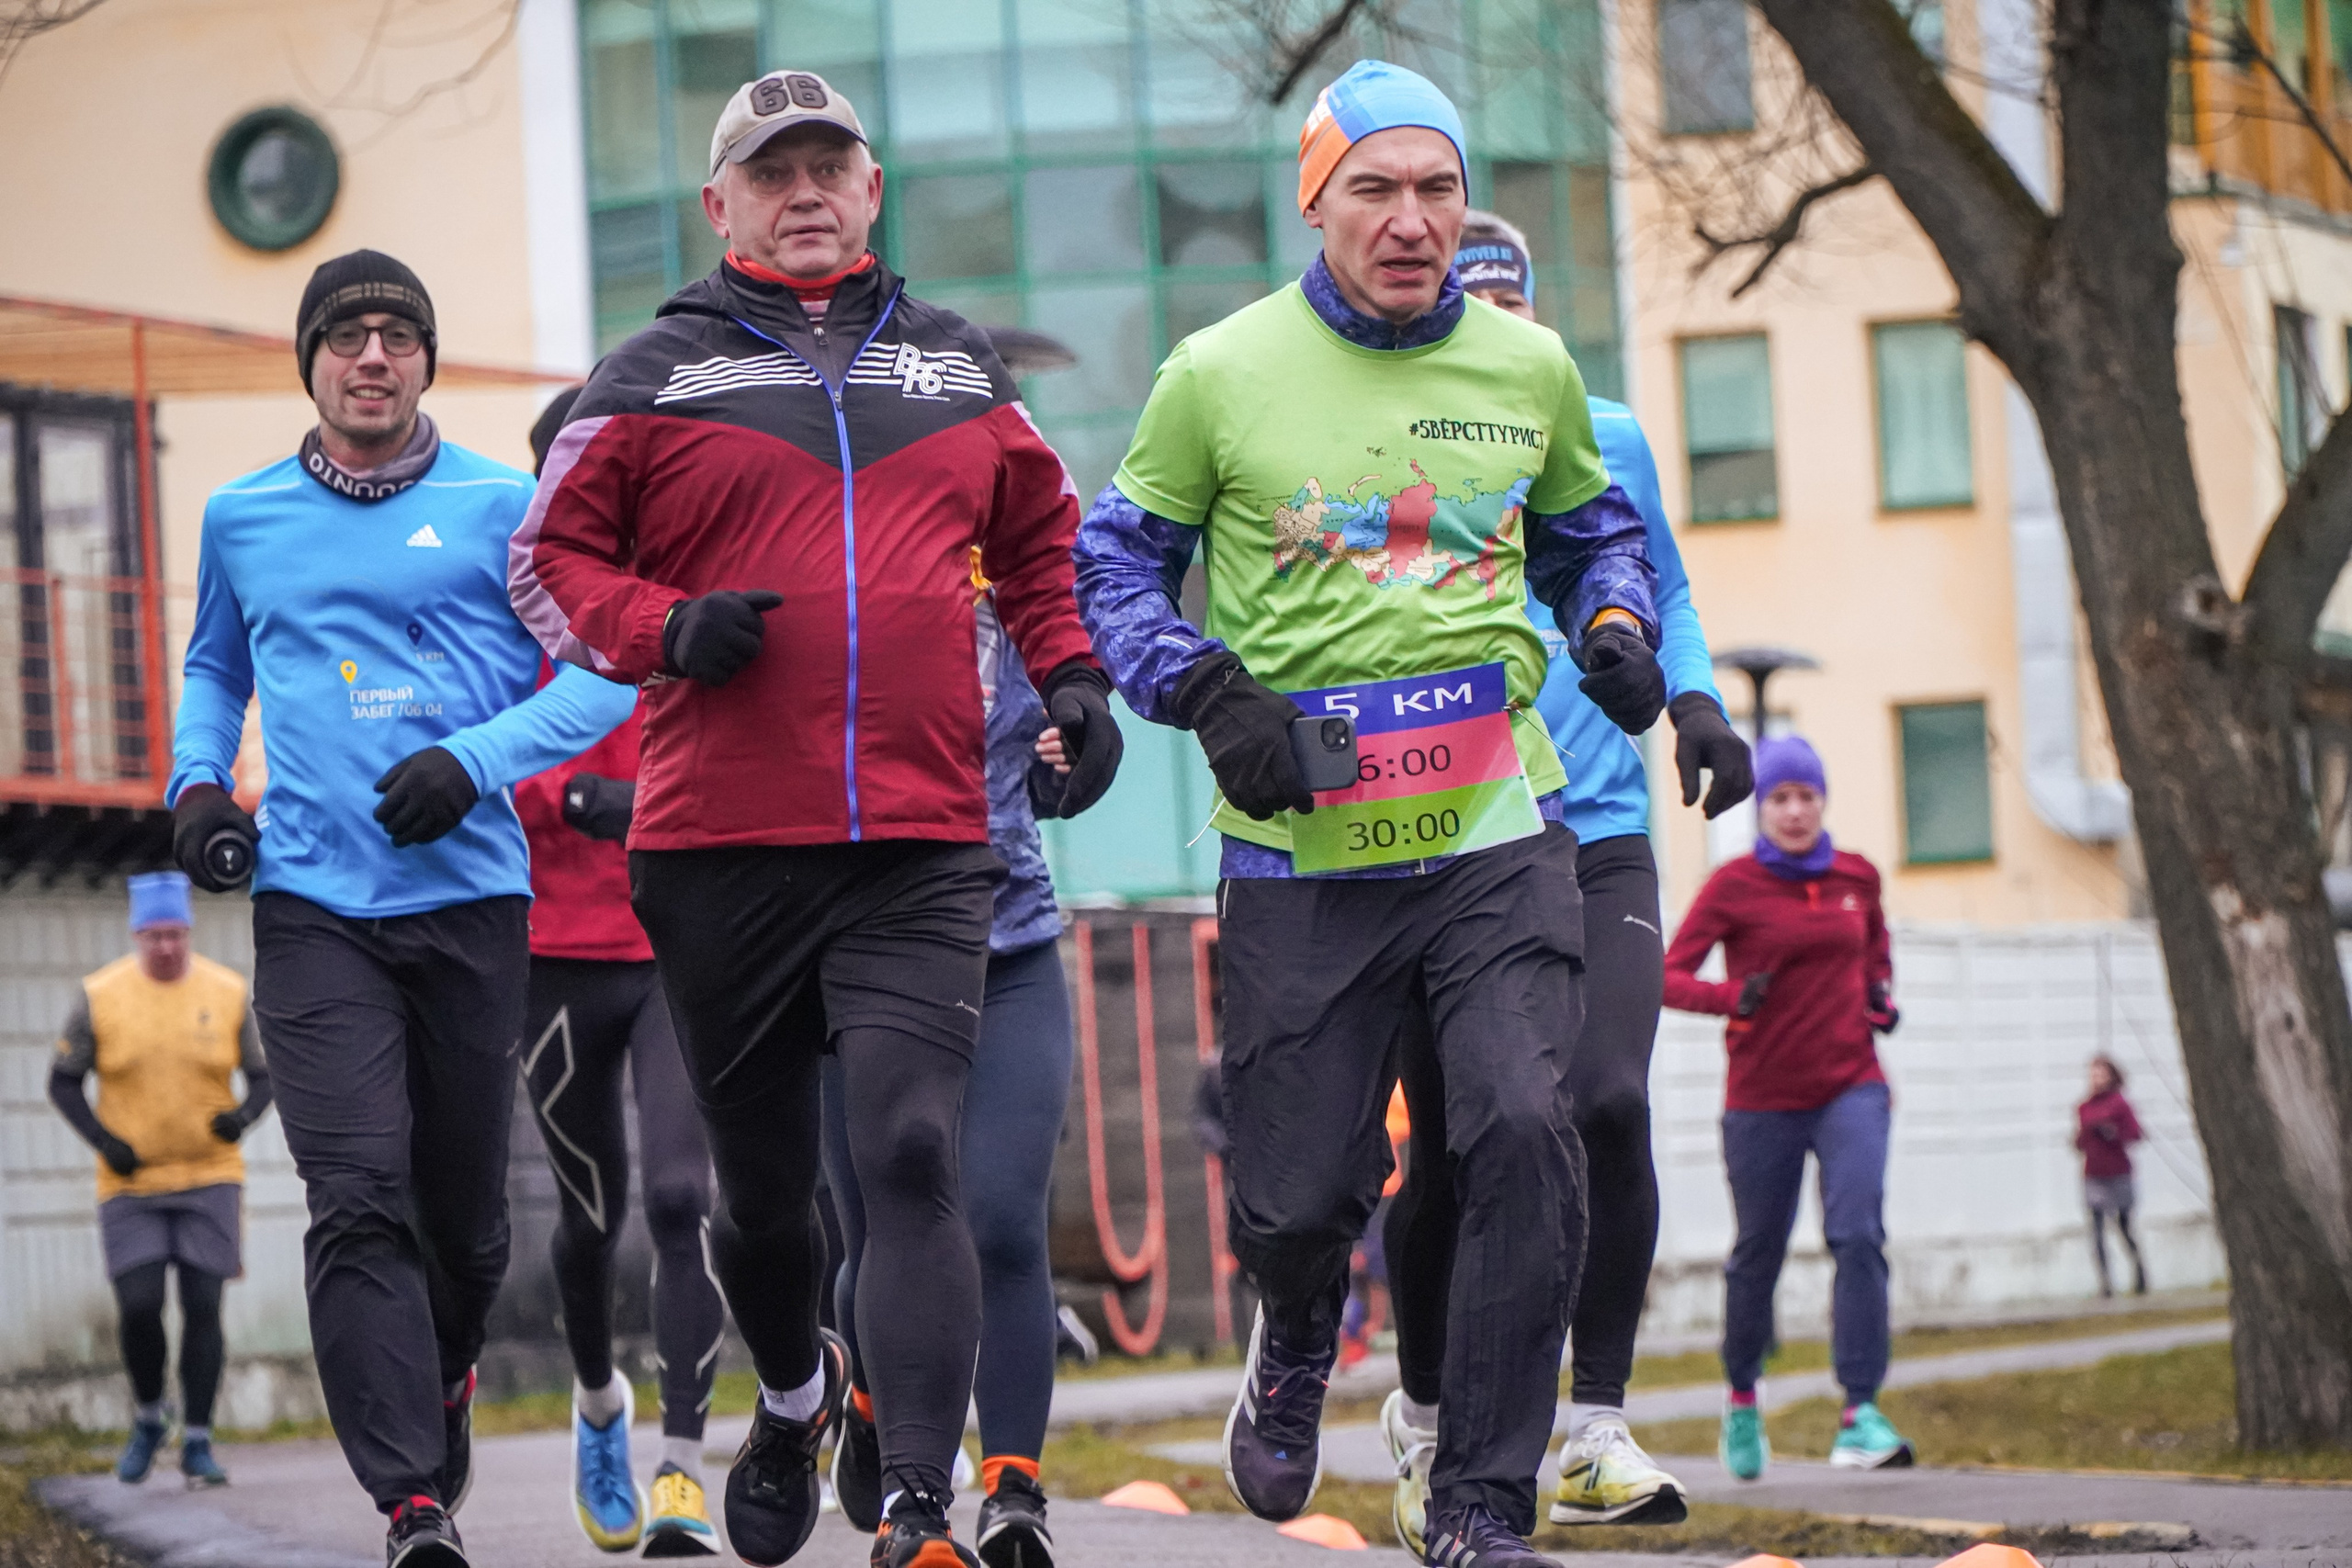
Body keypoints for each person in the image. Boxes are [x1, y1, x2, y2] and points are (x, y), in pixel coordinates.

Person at [511, 70, 1117, 1568]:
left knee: (912, 1153)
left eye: (828, 164)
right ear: (720, 205)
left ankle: (919, 1503)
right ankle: (791, 1397)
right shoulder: (651, 373)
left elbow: (1041, 546)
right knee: (767, 1200)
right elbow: (545, 566)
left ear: (872, 186)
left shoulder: (960, 368)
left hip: (921, 845)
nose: (804, 191)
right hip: (721, 849)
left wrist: (1076, 681)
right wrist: (664, 629)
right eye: (769, 171)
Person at [1075, 60, 1665, 1568]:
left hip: (1493, 829)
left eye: (1437, 188)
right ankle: (1293, 1321)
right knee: (1296, 1194)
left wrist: (1609, 621)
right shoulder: (1220, 370)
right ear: (1316, 203)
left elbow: (1593, 527)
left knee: (1530, 1130)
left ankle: (1478, 1501)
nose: (1411, 222)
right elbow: (1112, 567)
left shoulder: (1526, 369)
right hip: (1304, 850)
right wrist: (1210, 695)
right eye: (1377, 192)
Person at [167, 251, 638, 1568]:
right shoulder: (242, 514)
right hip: (314, 903)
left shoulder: (508, 504)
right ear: (310, 363)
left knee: (469, 1225)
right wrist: (200, 784)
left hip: (473, 901)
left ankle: (445, 1375)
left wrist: (474, 761)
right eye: (345, 337)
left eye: (396, 336)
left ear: (426, 360)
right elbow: (214, 666)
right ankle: (412, 1503)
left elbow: (605, 679)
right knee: (355, 1190)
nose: (371, 356)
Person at [1379, 209, 1755, 1551]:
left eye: (1516, 305)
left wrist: (1697, 701)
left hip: (1598, 826)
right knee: (1462, 1151)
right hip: (1462, 832)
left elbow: (1669, 583)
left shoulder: (1604, 432)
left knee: (1604, 1097)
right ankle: (1426, 1418)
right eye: (1478, 308)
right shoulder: (1410, 444)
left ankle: (1591, 1422)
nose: (1502, 328)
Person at [823, 557, 1083, 1568]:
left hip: (1007, 933)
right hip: (856, 939)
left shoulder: (1022, 530)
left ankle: (1013, 1489)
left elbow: (1064, 699)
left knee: (1005, 1222)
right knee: (883, 1231)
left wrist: (1074, 745)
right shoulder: (834, 513)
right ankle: (870, 1399)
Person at [513, 388, 725, 1557]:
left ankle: (684, 1465)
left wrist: (640, 806)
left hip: (669, 945)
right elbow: (483, 742)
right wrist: (569, 798)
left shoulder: (678, 580)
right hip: (552, 953)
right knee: (588, 1218)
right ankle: (600, 1403)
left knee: (683, 1199)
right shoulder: (516, 591)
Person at [1662, 736, 1911, 1482]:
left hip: (1851, 1085)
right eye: (1780, 798)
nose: (1796, 811)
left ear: (1823, 800)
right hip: (1762, 1099)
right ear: (1760, 807)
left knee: (1859, 1234)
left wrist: (1880, 994)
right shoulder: (1732, 885)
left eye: (1807, 795)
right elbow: (1668, 975)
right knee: (1756, 1255)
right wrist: (1730, 998)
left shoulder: (1856, 876)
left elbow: (1875, 951)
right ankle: (1742, 1397)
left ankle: (1859, 1411)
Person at [50, 872, 270, 1490]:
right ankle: (150, 1415)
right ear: (137, 935)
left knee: (204, 1306)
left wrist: (242, 1117)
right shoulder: (101, 995)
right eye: (154, 936)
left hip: (210, 1177)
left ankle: (197, 1439)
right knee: (140, 1305)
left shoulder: (227, 992)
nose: (166, 947)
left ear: (188, 933)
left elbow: (265, 1076)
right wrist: (104, 1142)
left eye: (175, 934)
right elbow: (62, 1081)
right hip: (130, 1184)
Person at [2076, 1055, 2147, 1297]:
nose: (2096, 1078)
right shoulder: (2084, 1107)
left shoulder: (2120, 1105)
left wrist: (2112, 1133)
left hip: (2118, 1173)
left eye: (2101, 1073)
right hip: (2094, 1175)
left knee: (2124, 1226)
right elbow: (2081, 1140)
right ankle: (2105, 1283)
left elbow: (2135, 1133)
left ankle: (2139, 1273)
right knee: (2096, 1230)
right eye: (2093, 1074)